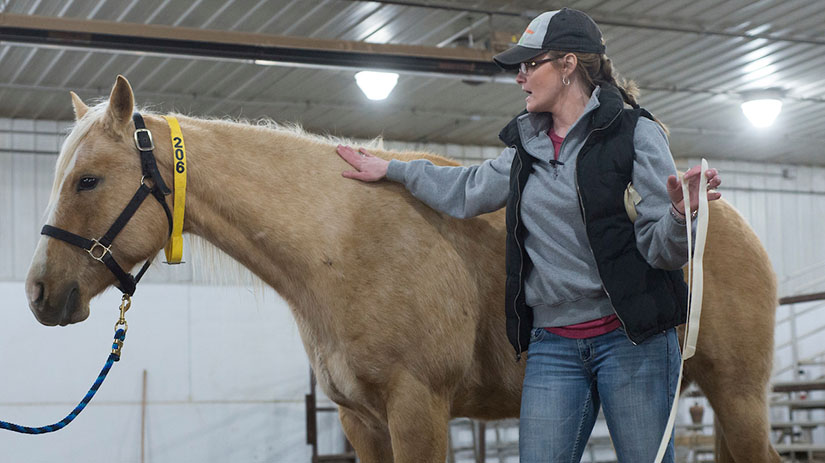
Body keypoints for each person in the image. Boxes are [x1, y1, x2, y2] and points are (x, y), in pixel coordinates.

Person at [336, 7, 721, 463]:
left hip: (632, 340)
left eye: (529, 64)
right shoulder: (526, 147)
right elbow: (465, 188)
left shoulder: (636, 134)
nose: (520, 77)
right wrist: (394, 170)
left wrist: (679, 216)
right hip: (554, 344)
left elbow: (663, 251)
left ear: (567, 66)